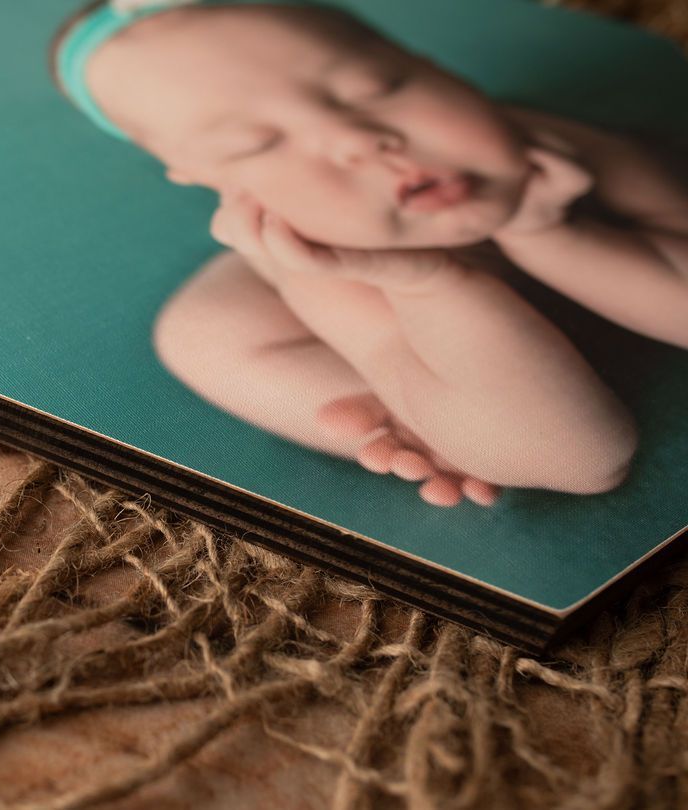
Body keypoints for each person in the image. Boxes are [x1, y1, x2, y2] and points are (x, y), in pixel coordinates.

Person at [51, 0, 688, 507]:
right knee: (207, 335)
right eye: (256, 145)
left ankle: (455, 413)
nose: (357, 140)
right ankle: (404, 414)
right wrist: (429, 282)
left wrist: (550, 235)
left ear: (435, 65)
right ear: (220, 183)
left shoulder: (559, 149)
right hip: (357, 312)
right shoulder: (323, 261)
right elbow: (578, 459)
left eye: (375, 86)